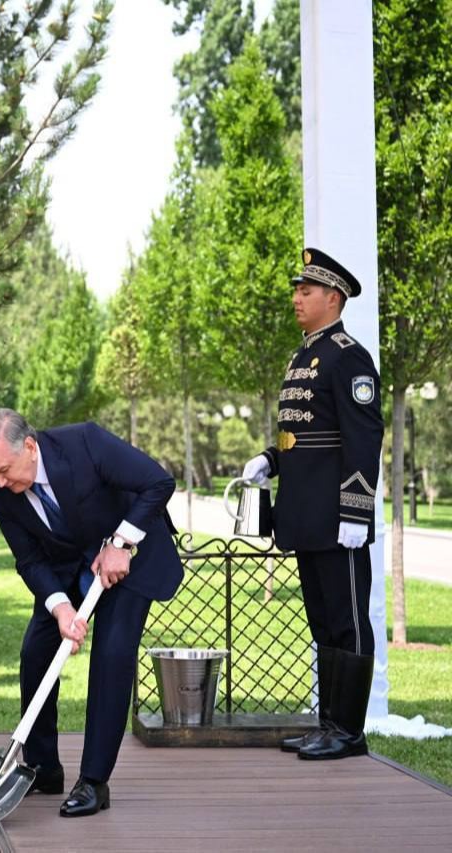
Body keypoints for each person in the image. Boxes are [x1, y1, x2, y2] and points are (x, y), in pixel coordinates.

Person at [0, 410, 182, 817]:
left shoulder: (85, 443)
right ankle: (43, 768)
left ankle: (94, 781)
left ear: (29, 446)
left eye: (4, 471)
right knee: (36, 652)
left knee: (111, 654)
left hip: (131, 557)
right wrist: (61, 607)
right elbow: (29, 558)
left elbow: (158, 483)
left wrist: (121, 543)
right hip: (65, 566)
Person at [241, 248, 383, 761]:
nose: (297, 299)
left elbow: (363, 438)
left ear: (333, 298)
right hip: (304, 514)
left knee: (348, 621)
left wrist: (356, 509)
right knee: (323, 624)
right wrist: (269, 459)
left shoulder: (348, 357)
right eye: (297, 291)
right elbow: (302, 435)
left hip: (338, 517)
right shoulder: (302, 355)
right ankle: (328, 725)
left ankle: (349, 732)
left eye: (306, 291)